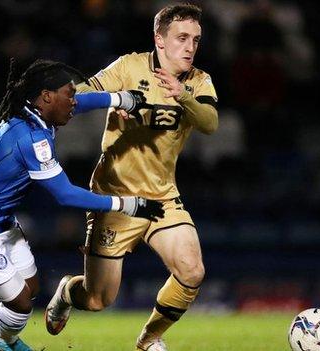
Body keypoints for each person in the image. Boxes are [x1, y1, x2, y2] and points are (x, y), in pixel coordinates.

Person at [0, 58, 164, 351]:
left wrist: (122, 98)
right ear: (47, 97)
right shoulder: (31, 138)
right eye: (68, 94)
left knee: (29, 287)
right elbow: (65, 194)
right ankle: (6, 343)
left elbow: (81, 103)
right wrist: (127, 205)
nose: (74, 101)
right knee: (19, 302)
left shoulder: (37, 114)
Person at [45, 4, 218, 351]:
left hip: (161, 197)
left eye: (195, 40)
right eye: (182, 38)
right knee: (97, 299)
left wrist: (181, 96)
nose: (189, 47)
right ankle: (66, 291)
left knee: (192, 271)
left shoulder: (198, 81)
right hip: (115, 198)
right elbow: (78, 94)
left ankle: (149, 338)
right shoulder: (128, 66)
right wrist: (114, 99)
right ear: (160, 39)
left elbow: (210, 122)